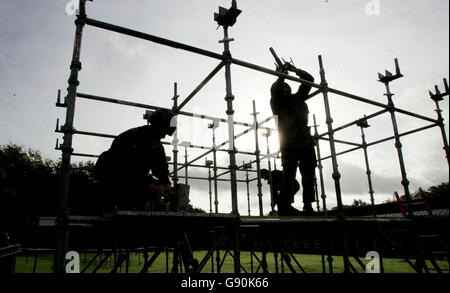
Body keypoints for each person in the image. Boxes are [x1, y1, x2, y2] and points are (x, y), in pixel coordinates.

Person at [94, 108, 176, 213]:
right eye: (163, 131)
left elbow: (161, 170)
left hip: (134, 179)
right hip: (111, 176)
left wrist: (167, 186)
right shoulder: (133, 137)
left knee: (153, 190)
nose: (164, 136)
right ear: (156, 126)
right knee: (112, 209)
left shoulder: (157, 145)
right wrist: (150, 187)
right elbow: (124, 171)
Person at [270, 62, 317, 216]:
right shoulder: (277, 104)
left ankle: (308, 205)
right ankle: (284, 205)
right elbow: (275, 89)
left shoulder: (298, 99)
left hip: (305, 141)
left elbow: (309, 79)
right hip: (289, 142)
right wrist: (281, 76)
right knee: (289, 175)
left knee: (309, 175)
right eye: (283, 88)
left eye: (287, 88)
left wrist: (295, 70)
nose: (285, 90)